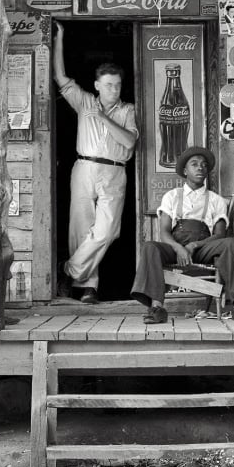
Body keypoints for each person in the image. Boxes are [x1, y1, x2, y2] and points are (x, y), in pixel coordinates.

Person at [53, 21, 138, 304]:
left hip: (114, 170)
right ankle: (88, 287)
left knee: (107, 231)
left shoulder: (127, 110)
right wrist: (60, 38)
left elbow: (129, 141)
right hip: (84, 166)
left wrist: (102, 117)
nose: (114, 89)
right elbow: (60, 77)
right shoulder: (84, 100)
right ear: (97, 86)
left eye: (118, 85)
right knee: (81, 228)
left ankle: (69, 270)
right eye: (109, 85)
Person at [131, 147, 234, 324]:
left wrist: (194, 246)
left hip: (204, 247)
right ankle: (157, 308)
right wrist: (179, 247)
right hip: (176, 247)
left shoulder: (216, 200)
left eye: (204, 165)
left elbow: (219, 234)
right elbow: (165, 232)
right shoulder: (171, 196)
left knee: (232, 242)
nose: (200, 168)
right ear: (185, 171)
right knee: (150, 247)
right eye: (195, 164)